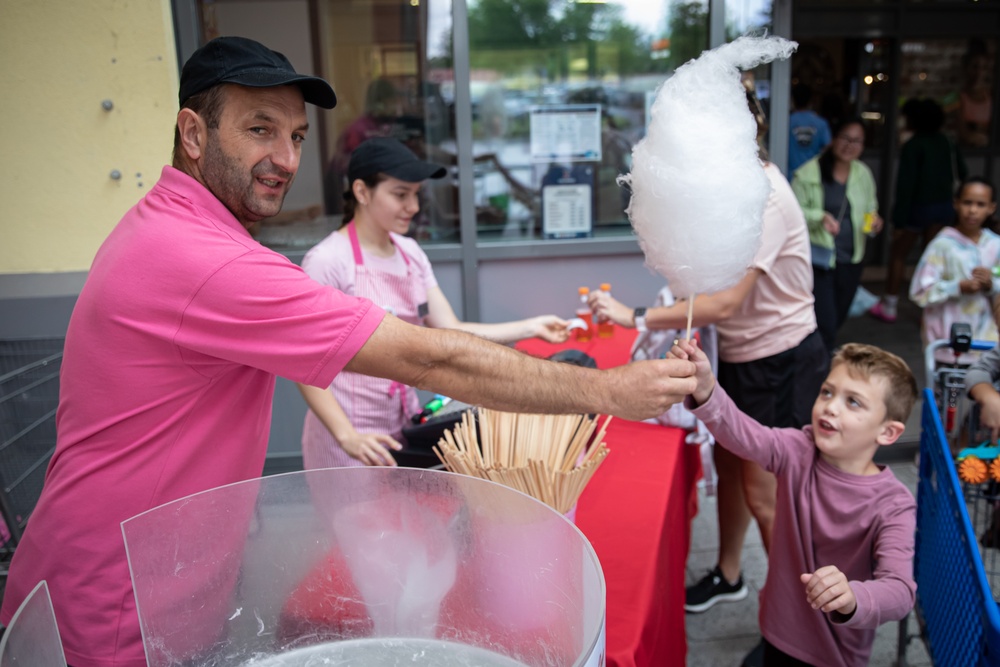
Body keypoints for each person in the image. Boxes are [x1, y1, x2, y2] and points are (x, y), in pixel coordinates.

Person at [0, 36, 698, 667]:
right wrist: (608, 391)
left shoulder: (182, 230)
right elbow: (433, 359)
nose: (284, 158)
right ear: (192, 132)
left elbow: (439, 342)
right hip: (113, 608)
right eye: (258, 129)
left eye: (297, 136)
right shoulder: (201, 258)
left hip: (162, 584)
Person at [589, 87, 829, 667]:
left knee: (766, 495)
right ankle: (729, 573)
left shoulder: (764, 195)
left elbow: (726, 302)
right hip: (747, 358)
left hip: (782, 357)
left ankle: (798, 635)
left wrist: (636, 315)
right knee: (730, 466)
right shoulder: (730, 191)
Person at [299, 137, 569, 468]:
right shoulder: (327, 260)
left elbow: (450, 329)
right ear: (362, 191)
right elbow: (304, 361)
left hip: (404, 423)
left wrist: (530, 327)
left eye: (415, 195)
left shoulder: (410, 253)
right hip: (350, 437)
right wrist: (347, 436)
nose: (413, 206)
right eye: (400, 195)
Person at [672, 338, 918, 667]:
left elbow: (900, 591)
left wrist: (853, 597)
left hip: (833, 653)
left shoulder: (895, 505)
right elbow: (744, 434)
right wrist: (706, 389)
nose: (831, 406)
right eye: (827, 392)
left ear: (888, 433)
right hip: (777, 625)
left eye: (853, 402)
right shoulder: (797, 448)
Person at [792, 116, 884, 354]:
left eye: (857, 141)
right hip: (820, 259)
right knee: (826, 322)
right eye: (845, 138)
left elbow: (871, 206)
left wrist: (874, 221)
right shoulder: (807, 174)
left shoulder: (862, 173)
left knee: (839, 314)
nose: (850, 145)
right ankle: (819, 368)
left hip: (851, 257)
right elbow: (793, 213)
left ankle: (818, 359)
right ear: (833, 139)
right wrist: (819, 217)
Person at [870, 98, 966, 323]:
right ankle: (930, 309)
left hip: (918, 208)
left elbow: (906, 185)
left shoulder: (914, 145)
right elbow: (963, 171)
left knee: (898, 255)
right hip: (944, 208)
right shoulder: (947, 142)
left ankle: (890, 305)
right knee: (934, 258)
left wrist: (899, 221)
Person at [909, 176, 1000, 348]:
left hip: (987, 345)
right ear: (956, 203)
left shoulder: (996, 245)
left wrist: (991, 285)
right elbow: (919, 292)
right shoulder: (942, 245)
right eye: (967, 203)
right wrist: (957, 287)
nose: (972, 210)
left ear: (991, 208)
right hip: (946, 343)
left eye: (980, 204)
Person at [788, 82, 832, 176]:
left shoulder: (786, 122)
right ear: (811, 101)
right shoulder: (821, 123)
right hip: (813, 175)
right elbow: (828, 147)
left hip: (789, 175)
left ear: (792, 100)